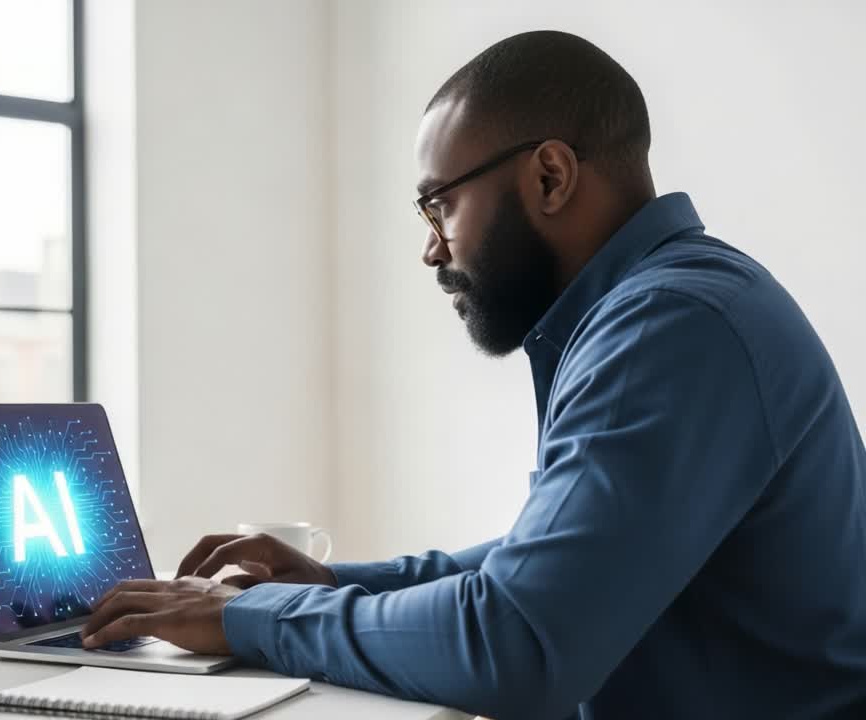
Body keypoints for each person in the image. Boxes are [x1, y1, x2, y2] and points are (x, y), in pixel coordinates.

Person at [81, 30, 866, 719]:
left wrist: (245, 620)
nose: (432, 248)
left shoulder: (672, 326)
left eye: (439, 206)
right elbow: (556, 561)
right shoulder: (673, 305)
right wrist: (329, 582)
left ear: (550, 177)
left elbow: (518, 641)